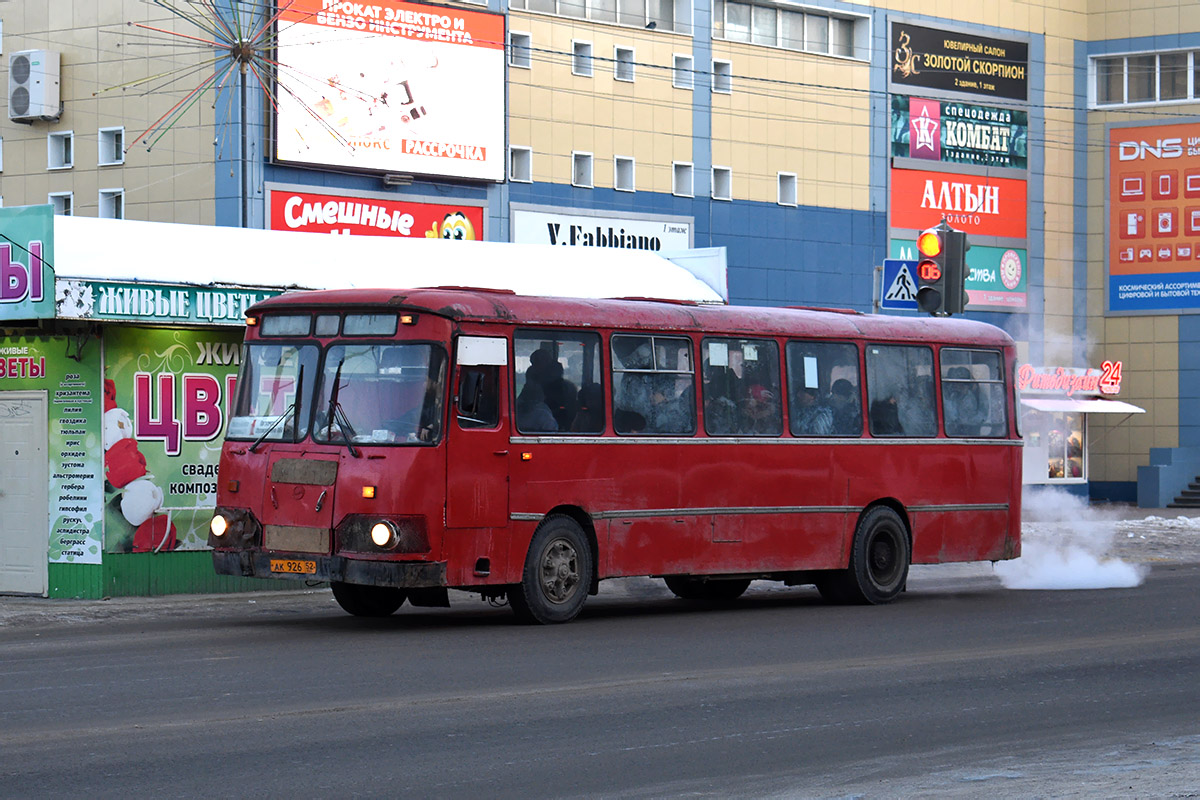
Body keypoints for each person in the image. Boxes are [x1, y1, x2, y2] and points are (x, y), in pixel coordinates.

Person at [943, 366, 984, 436]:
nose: (953, 385)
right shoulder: (955, 396)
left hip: (967, 433)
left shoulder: (970, 399)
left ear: (963, 384)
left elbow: (965, 420)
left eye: (956, 382)